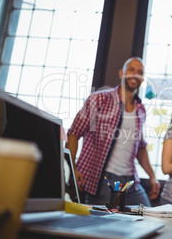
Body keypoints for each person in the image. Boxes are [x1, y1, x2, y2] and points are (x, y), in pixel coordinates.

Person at [66, 57, 160, 206]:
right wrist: (72, 169)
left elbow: (140, 148)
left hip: (130, 179)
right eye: (131, 69)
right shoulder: (99, 99)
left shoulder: (141, 110)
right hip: (102, 179)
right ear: (121, 73)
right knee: (106, 224)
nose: (135, 74)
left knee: (148, 216)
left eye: (140, 72)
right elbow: (74, 133)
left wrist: (152, 176)